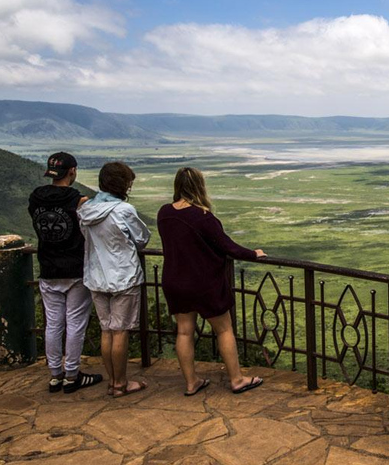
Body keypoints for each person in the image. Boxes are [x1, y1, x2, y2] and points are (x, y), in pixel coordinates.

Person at [157, 167, 266, 396]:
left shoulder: (164, 213)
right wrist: (253, 254)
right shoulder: (203, 217)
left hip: (175, 281)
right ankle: (236, 379)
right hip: (203, 282)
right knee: (224, 329)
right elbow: (227, 246)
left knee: (184, 332)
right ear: (200, 186)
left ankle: (191, 382)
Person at [28, 152, 103, 394]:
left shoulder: (36, 198)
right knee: (75, 323)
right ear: (72, 171)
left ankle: (54, 375)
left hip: (48, 268)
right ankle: (72, 375)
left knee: (53, 323)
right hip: (75, 269)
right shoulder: (78, 200)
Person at [78, 162, 150, 398]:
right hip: (123, 276)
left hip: (96, 276)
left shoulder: (86, 210)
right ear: (122, 184)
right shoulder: (123, 210)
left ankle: (112, 381)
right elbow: (141, 238)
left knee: (106, 330)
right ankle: (121, 383)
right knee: (120, 331)